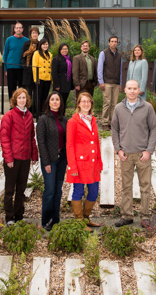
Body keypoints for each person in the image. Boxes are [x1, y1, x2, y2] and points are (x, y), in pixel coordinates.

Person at [111, 80, 156, 228]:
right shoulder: (119, 108)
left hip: (142, 155)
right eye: (129, 88)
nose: (132, 91)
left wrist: (149, 151)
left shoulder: (147, 107)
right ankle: (126, 215)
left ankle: (145, 216)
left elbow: (154, 129)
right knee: (126, 186)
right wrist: (118, 149)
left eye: (135, 88)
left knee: (145, 186)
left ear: (139, 90)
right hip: (125, 154)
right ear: (124, 90)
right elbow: (114, 130)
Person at [0, 88, 39, 225]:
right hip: (13, 159)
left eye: (24, 98)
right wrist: (8, 158)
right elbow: (4, 139)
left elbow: (31, 138)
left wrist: (34, 155)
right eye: (19, 98)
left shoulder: (29, 116)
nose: (22, 100)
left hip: (25, 158)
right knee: (10, 189)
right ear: (15, 100)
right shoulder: (9, 116)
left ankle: (19, 216)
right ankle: (9, 218)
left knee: (21, 189)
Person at [66, 92, 102, 229]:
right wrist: (72, 167)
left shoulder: (92, 120)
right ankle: (79, 220)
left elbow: (96, 143)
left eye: (88, 101)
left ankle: (86, 218)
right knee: (78, 192)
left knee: (94, 191)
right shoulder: (73, 121)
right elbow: (69, 145)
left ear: (91, 104)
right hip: (80, 164)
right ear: (79, 104)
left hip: (92, 163)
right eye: (83, 101)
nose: (86, 104)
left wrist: (100, 162)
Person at [36, 91, 68, 231]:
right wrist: (46, 162)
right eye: (52, 99)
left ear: (60, 103)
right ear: (48, 102)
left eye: (57, 99)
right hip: (50, 160)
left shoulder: (64, 120)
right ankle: (46, 220)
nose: (55, 102)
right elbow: (41, 143)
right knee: (49, 190)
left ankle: (56, 219)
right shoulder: (43, 119)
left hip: (62, 160)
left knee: (58, 190)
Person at [97, 35, 123, 130]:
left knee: (114, 104)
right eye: (112, 41)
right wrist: (101, 82)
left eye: (115, 41)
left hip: (116, 83)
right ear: (109, 43)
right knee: (107, 103)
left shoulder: (119, 55)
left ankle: (113, 122)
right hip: (107, 82)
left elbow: (120, 70)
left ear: (117, 43)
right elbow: (99, 68)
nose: (114, 43)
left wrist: (120, 83)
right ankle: (105, 123)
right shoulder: (103, 53)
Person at [3, 22, 28, 100]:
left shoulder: (26, 41)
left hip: (22, 68)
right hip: (11, 68)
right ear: (14, 29)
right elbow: (5, 55)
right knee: (11, 88)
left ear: (22, 29)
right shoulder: (9, 40)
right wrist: (6, 69)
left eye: (20, 28)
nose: (18, 29)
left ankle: (21, 104)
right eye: (17, 28)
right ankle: (12, 105)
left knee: (22, 89)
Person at [20, 26, 40, 116]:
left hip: (37, 72)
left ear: (38, 34)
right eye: (33, 33)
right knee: (28, 93)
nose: (34, 34)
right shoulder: (26, 44)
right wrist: (26, 67)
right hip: (28, 72)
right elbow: (22, 57)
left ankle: (36, 111)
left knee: (36, 93)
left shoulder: (40, 44)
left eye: (36, 33)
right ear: (31, 34)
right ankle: (28, 110)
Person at [32, 38, 52, 116]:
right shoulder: (36, 53)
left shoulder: (50, 54)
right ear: (40, 45)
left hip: (48, 78)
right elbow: (34, 67)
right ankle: (38, 113)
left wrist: (52, 80)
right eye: (43, 44)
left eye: (46, 44)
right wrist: (36, 79)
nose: (45, 46)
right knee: (38, 96)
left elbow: (51, 67)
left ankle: (44, 112)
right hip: (40, 78)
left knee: (45, 96)